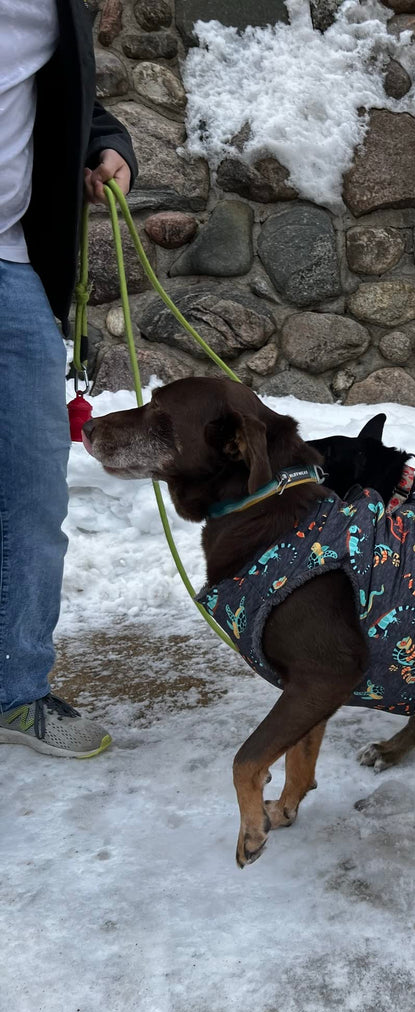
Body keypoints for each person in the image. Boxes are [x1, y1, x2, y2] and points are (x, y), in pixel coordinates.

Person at [0, 0, 138, 756]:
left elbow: (66, 99)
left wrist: (109, 145)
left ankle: (16, 692)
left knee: (31, 496)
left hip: (12, 266)